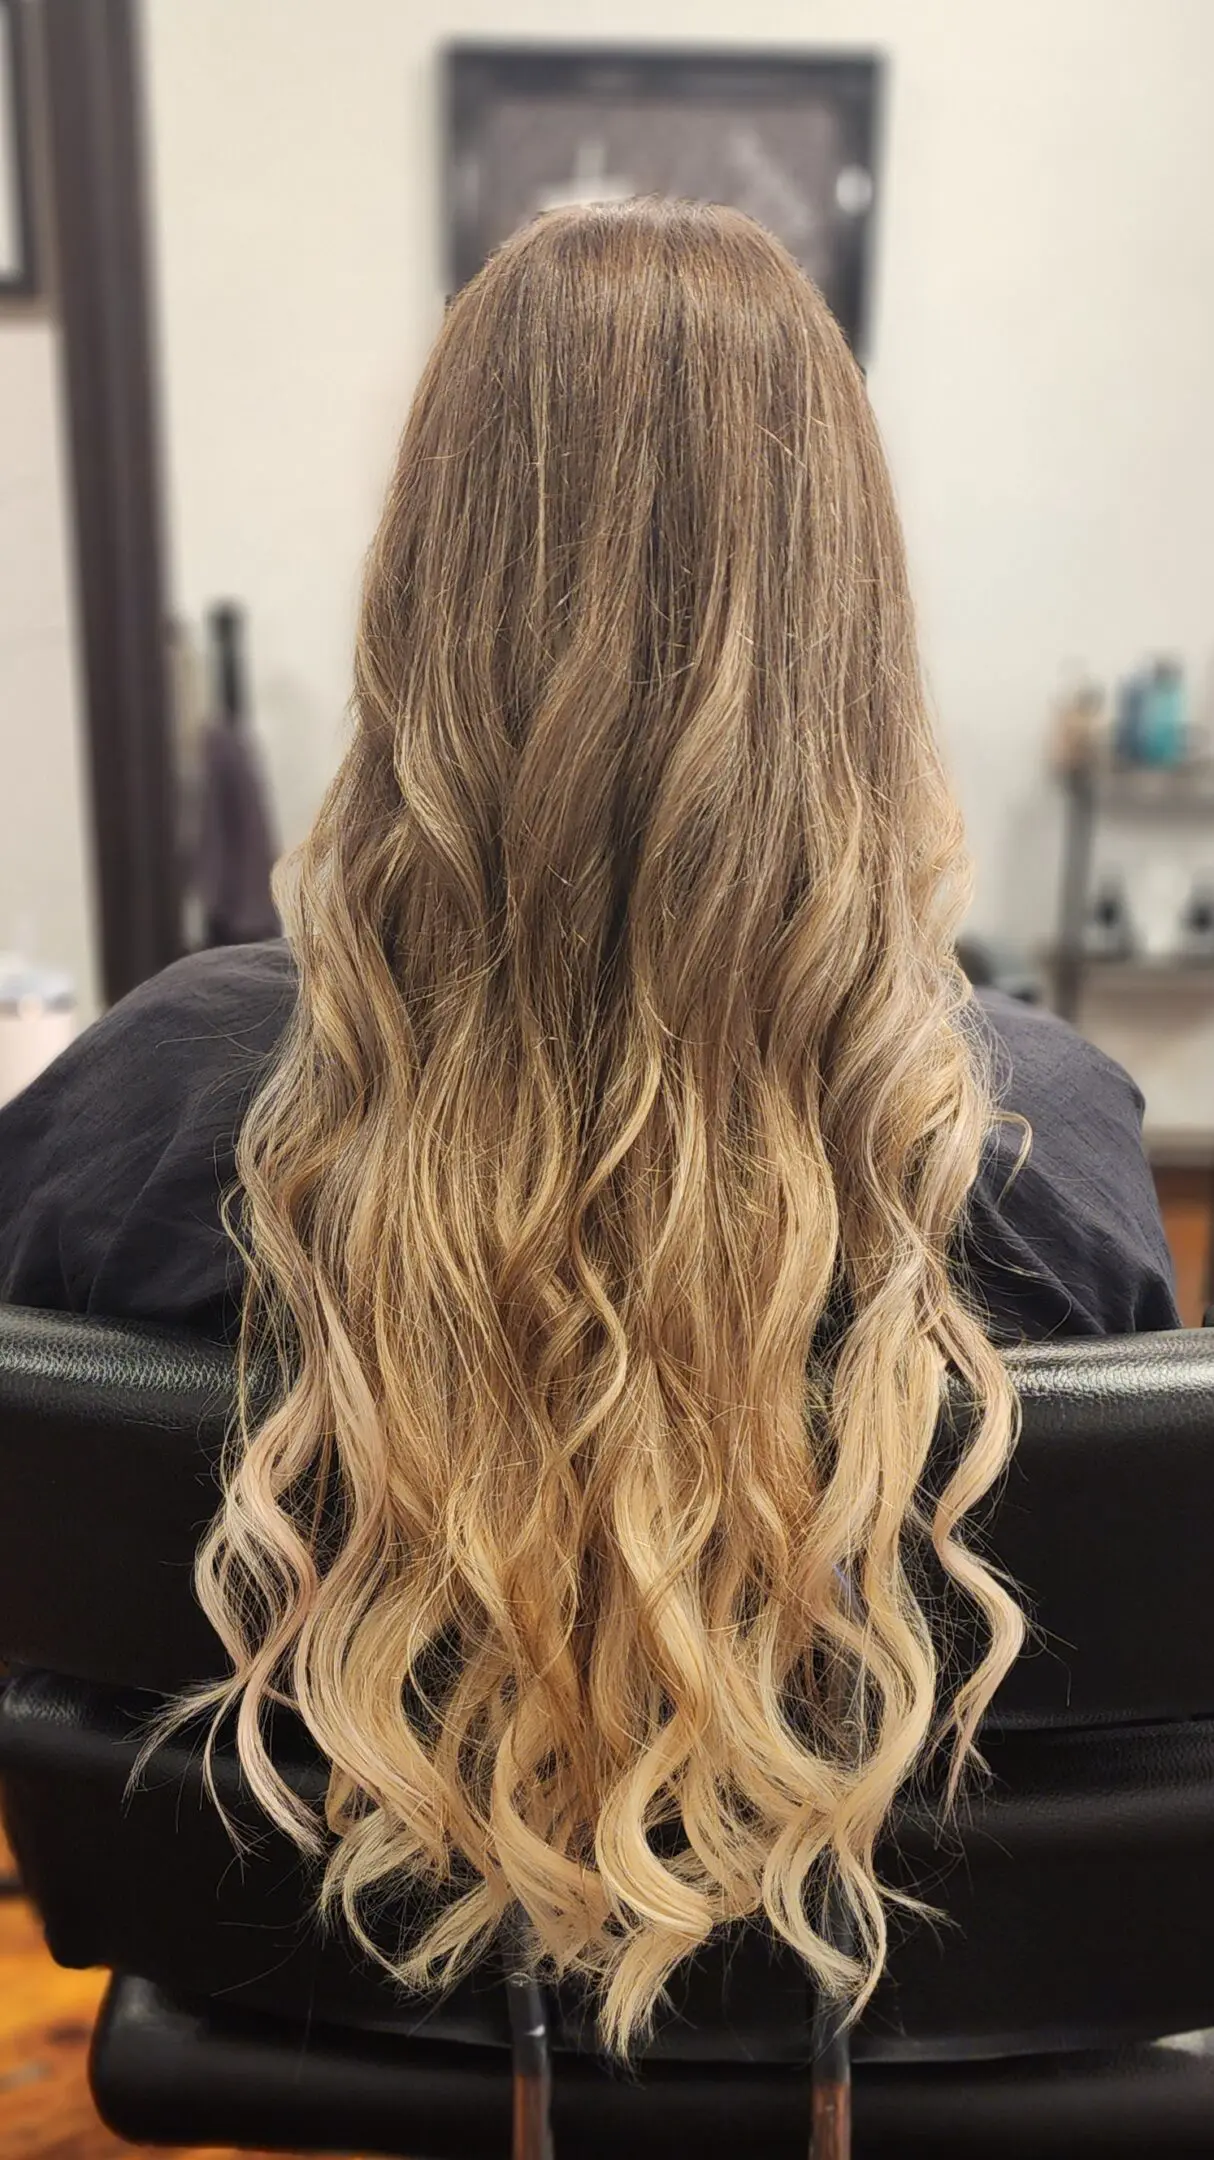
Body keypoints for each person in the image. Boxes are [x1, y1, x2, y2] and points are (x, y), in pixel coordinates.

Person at [0, 201, 1177, 2056]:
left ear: (419, 592)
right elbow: (1109, 1717)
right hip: (873, 2022)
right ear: (846, 628)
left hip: (328, 1982)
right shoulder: (1048, 1143)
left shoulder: (141, 1102)